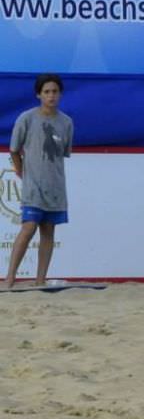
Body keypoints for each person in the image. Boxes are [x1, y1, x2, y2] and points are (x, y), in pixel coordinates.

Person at [7, 75, 73, 290]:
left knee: (48, 230)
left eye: (55, 91)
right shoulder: (26, 118)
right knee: (28, 227)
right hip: (32, 186)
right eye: (46, 92)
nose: (51, 95)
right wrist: (22, 173)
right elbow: (15, 150)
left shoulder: (66, 122)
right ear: (38, 94)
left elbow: (62, 154)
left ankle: (40, 279)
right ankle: (9, 278)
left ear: (60, 94)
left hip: (55, 186)